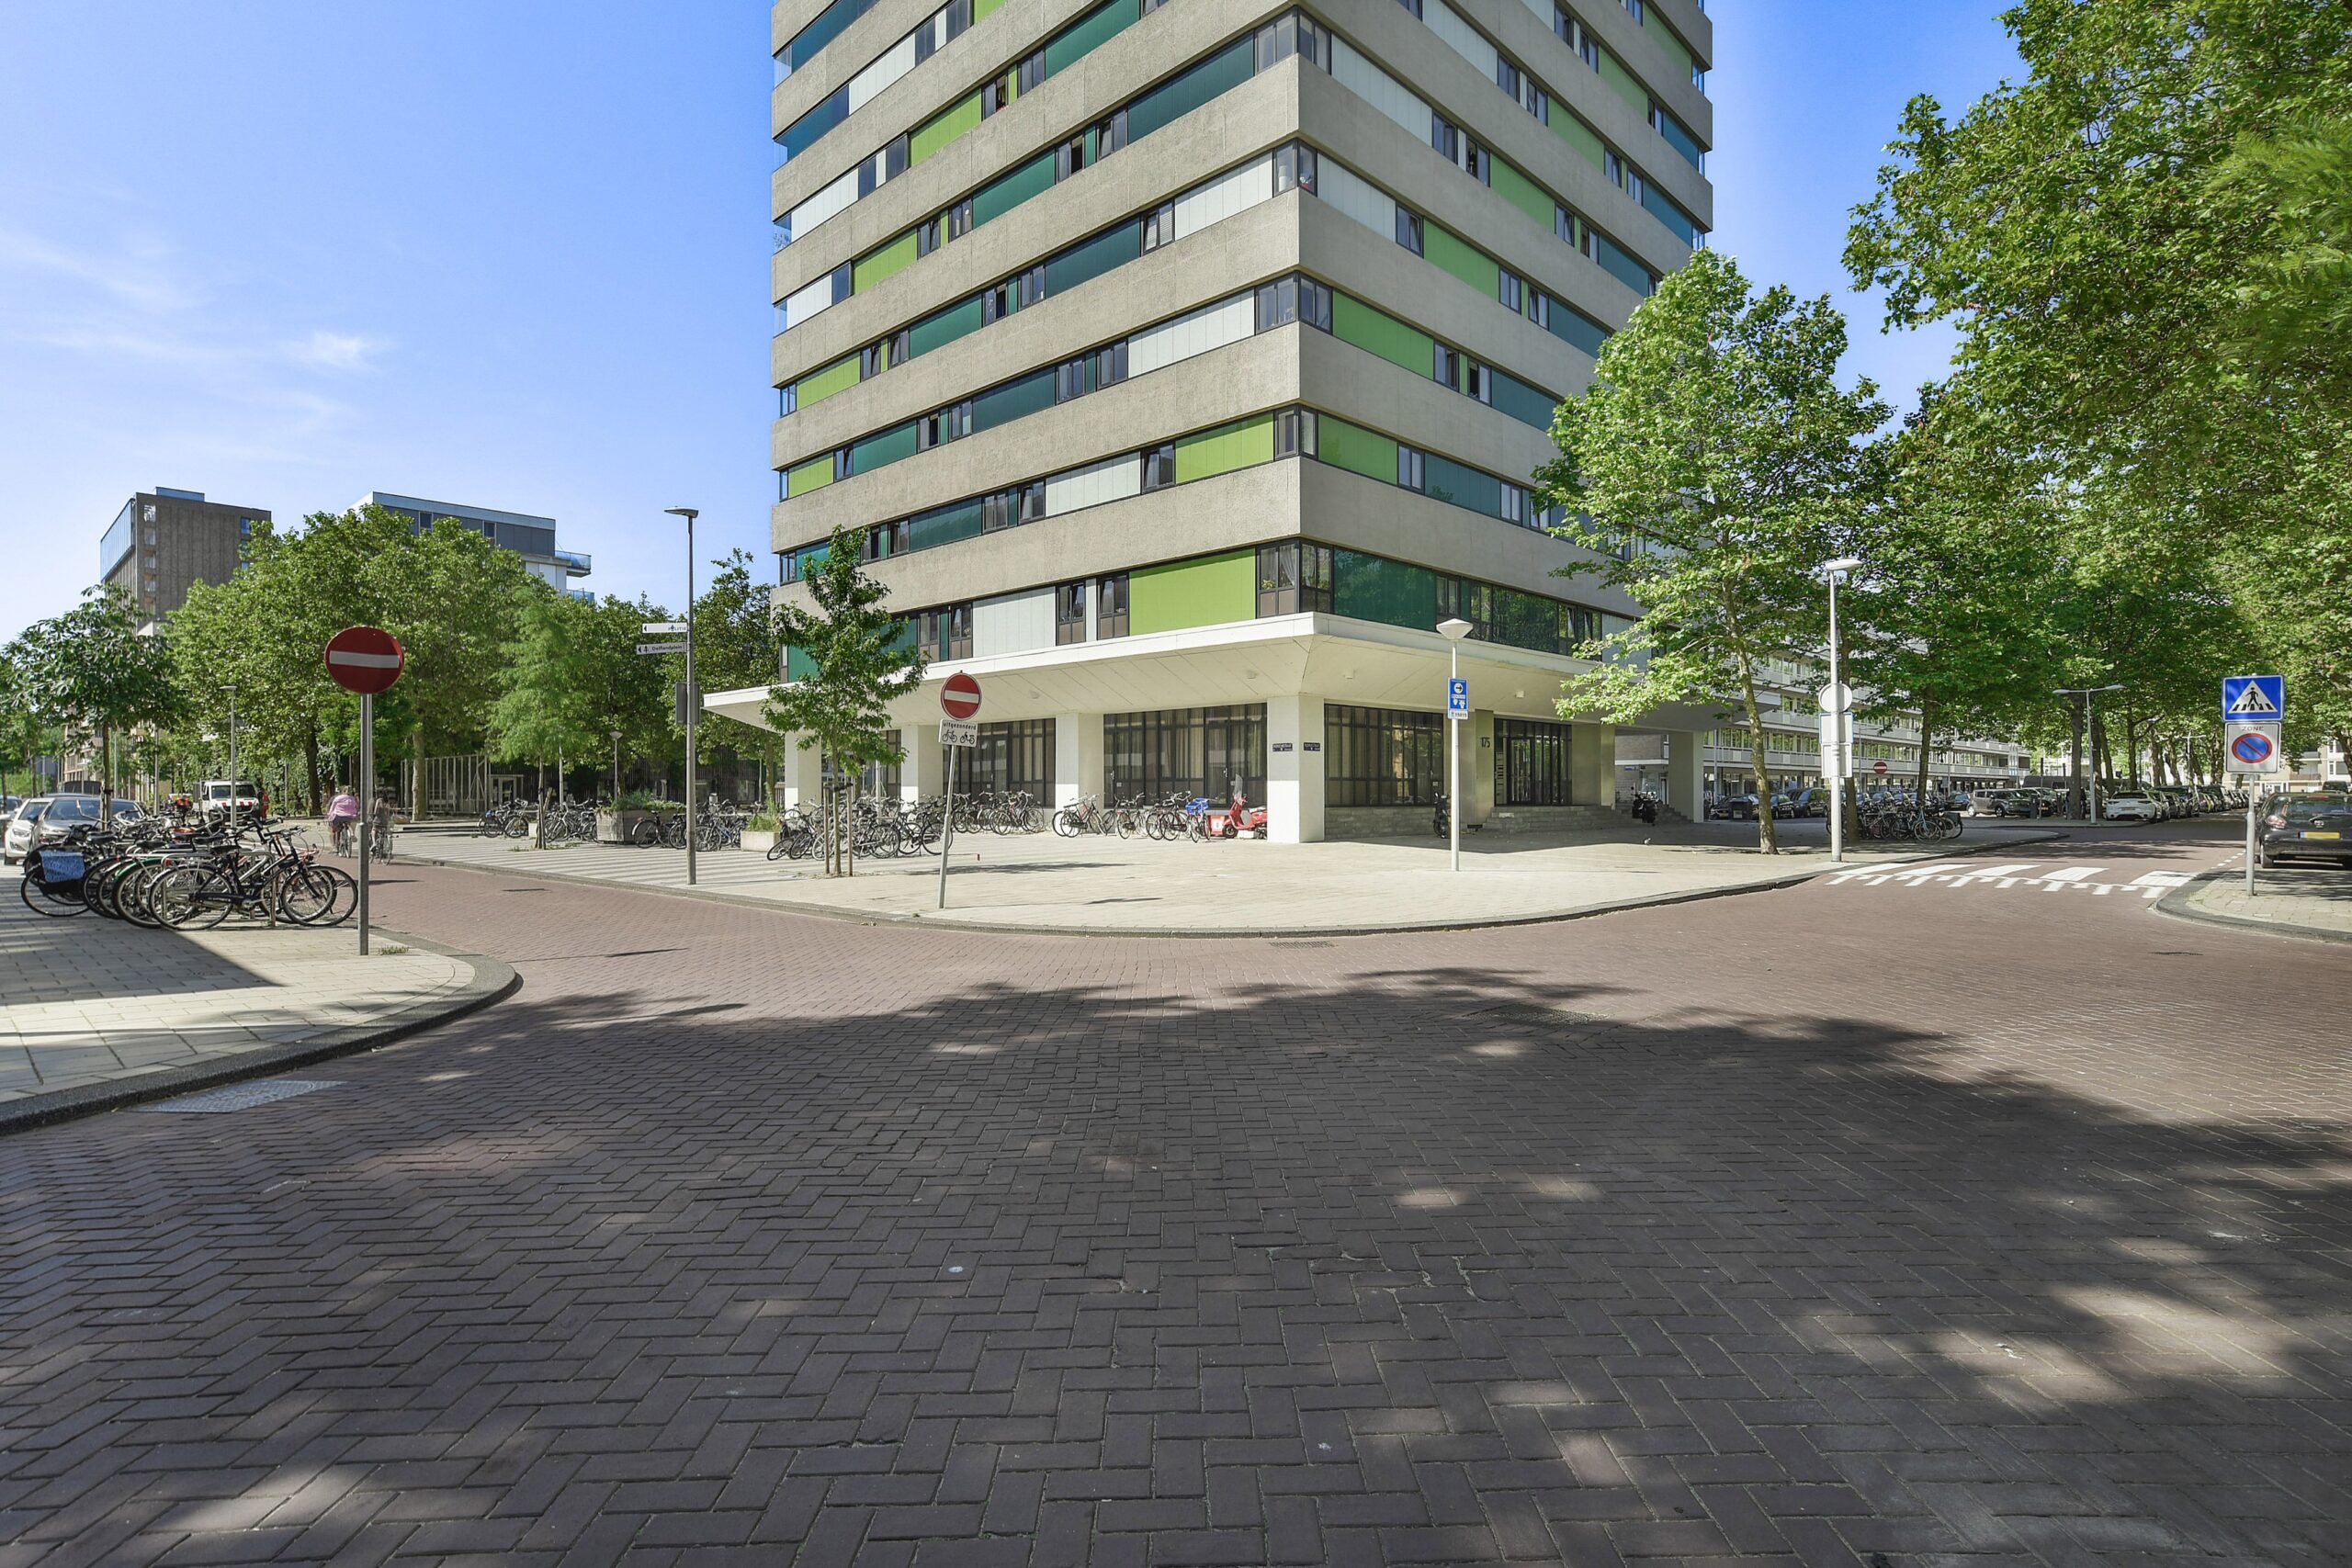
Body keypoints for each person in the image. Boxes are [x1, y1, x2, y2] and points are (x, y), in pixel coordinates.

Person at [326, 786, 360, 853]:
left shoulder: (338, 798)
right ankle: (351, 833)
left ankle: (335, 847)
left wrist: (329, 815)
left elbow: (332, 807)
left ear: (342, 791)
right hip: (350, 816)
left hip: (339, 815)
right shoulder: (352, 798)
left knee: (334, 830)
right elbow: (356, 807)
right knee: (351, 823)